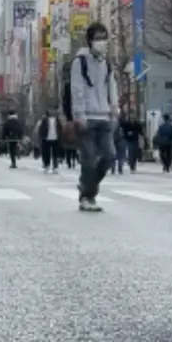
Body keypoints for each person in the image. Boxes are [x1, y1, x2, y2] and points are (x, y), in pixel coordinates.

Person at [71, 22, 118, 212]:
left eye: (104, 38)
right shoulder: (80, 62)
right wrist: (79, 115)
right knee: (89, 158)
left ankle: (86, 186)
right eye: (98, 38)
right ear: (90, 41)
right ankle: (87, 196)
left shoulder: (107, 63)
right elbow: (77, 89)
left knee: (109, 156)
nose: (102, 42)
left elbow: (111, 86)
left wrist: (114, 106)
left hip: (105, 117)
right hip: (87, 118)